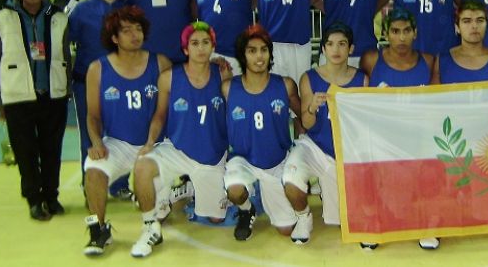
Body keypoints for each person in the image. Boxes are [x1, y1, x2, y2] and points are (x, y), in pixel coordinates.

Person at [130, 22, 233, 257]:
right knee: (143, 166)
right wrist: (149, 143)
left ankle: (184, 189)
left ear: (213, 47)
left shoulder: (223, 73)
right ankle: (149, 227)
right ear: (185, 49)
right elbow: (159, 115)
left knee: (216, 218)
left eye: (205, 43)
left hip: (212, 154)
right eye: (194, 43)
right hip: (177, 149)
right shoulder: (168, 78)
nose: (200, 48)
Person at [81, 6, 171, 255]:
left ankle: (152, 223)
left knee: (160, 213)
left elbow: (165, 112)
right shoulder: (97, 69)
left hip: (156, 144)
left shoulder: (160, 63)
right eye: (127, 30)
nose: (135, 35)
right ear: (114, 38)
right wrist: (97, 142)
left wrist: (152, 142)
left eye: (139, 29)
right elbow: (93, 115)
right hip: (119, 142)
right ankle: (99, 230)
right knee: (93, 169)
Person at [0, 0, 71, 221]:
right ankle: (34, 200)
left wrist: (66, 88)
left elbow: (67, 55)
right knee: (26, 152)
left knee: (51, 150)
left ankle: (51, 196)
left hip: (52, 95)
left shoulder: (57, 16)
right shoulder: (2, 17)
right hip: (18, 96)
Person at [283, 22, 368, 245]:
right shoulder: (309, 78)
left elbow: (364, 126)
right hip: (315, 146)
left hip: (345, 151)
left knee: (340, 220)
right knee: (290, 178)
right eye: (330, 44)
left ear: (351, 49)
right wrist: (311, 107)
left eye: (342, 44)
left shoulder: (362, 79)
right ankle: (303, 218)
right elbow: (308, 124)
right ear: (323, 49)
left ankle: (340, 193)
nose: (336, 49)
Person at [359, 7, 434, 250]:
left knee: (430, 168)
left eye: (406, 31)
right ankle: (375, 222)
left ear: (415, 33)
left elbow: (437, 105)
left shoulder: (429, 61)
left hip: (417, 138)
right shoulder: (371, 60)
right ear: (385, 33)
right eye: (395, 31)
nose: (401, 37)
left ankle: (426, 224)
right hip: (383, 139)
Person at [222, 24, 302, 241]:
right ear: (242, 55)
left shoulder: (285, 85)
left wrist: (303, 151)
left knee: (287, 230)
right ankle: (247, 209)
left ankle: (271, 191)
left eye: (263, 50)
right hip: (243, 159)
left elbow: (303, 117)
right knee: (235, 190)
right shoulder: (228, 88)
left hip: (276, 161)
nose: (259, 56)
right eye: (252, 50)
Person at [68, 0, 129, 194]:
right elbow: (66, 38)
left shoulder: (129, 10)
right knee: (89, 132)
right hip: (86, 81)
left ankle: (120, 185)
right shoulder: (83, 9)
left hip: (122, 82)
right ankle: (90, 184)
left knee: (121, 134)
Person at [432, 0, 488, 84]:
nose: (474, 26)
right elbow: (435, 98)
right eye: (467, 21)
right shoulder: (442, 62)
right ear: (457, 27)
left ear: (486, 25)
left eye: (480, 20)